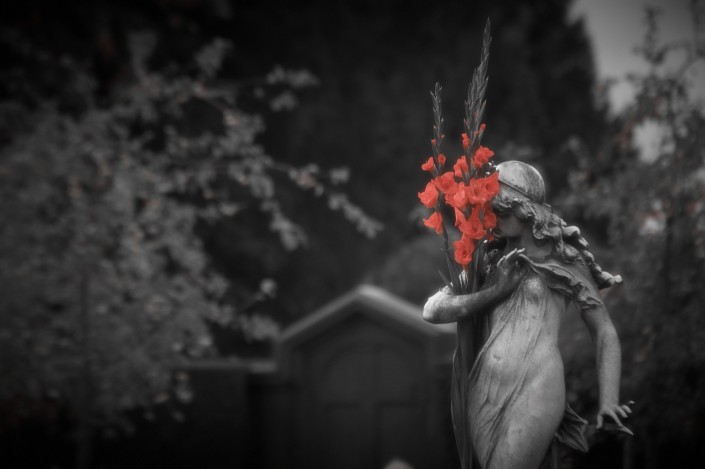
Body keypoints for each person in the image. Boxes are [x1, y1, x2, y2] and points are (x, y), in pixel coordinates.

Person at [423, 161, 632, 469]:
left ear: (527, 210)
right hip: (485, 389)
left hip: (537, 385)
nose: (493, 220)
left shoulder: (564, 260)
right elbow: (432, 311)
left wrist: (609, 401)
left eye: (502, 212)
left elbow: (603, 331)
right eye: (490, 211)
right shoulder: (489, 261)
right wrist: (495, 291)